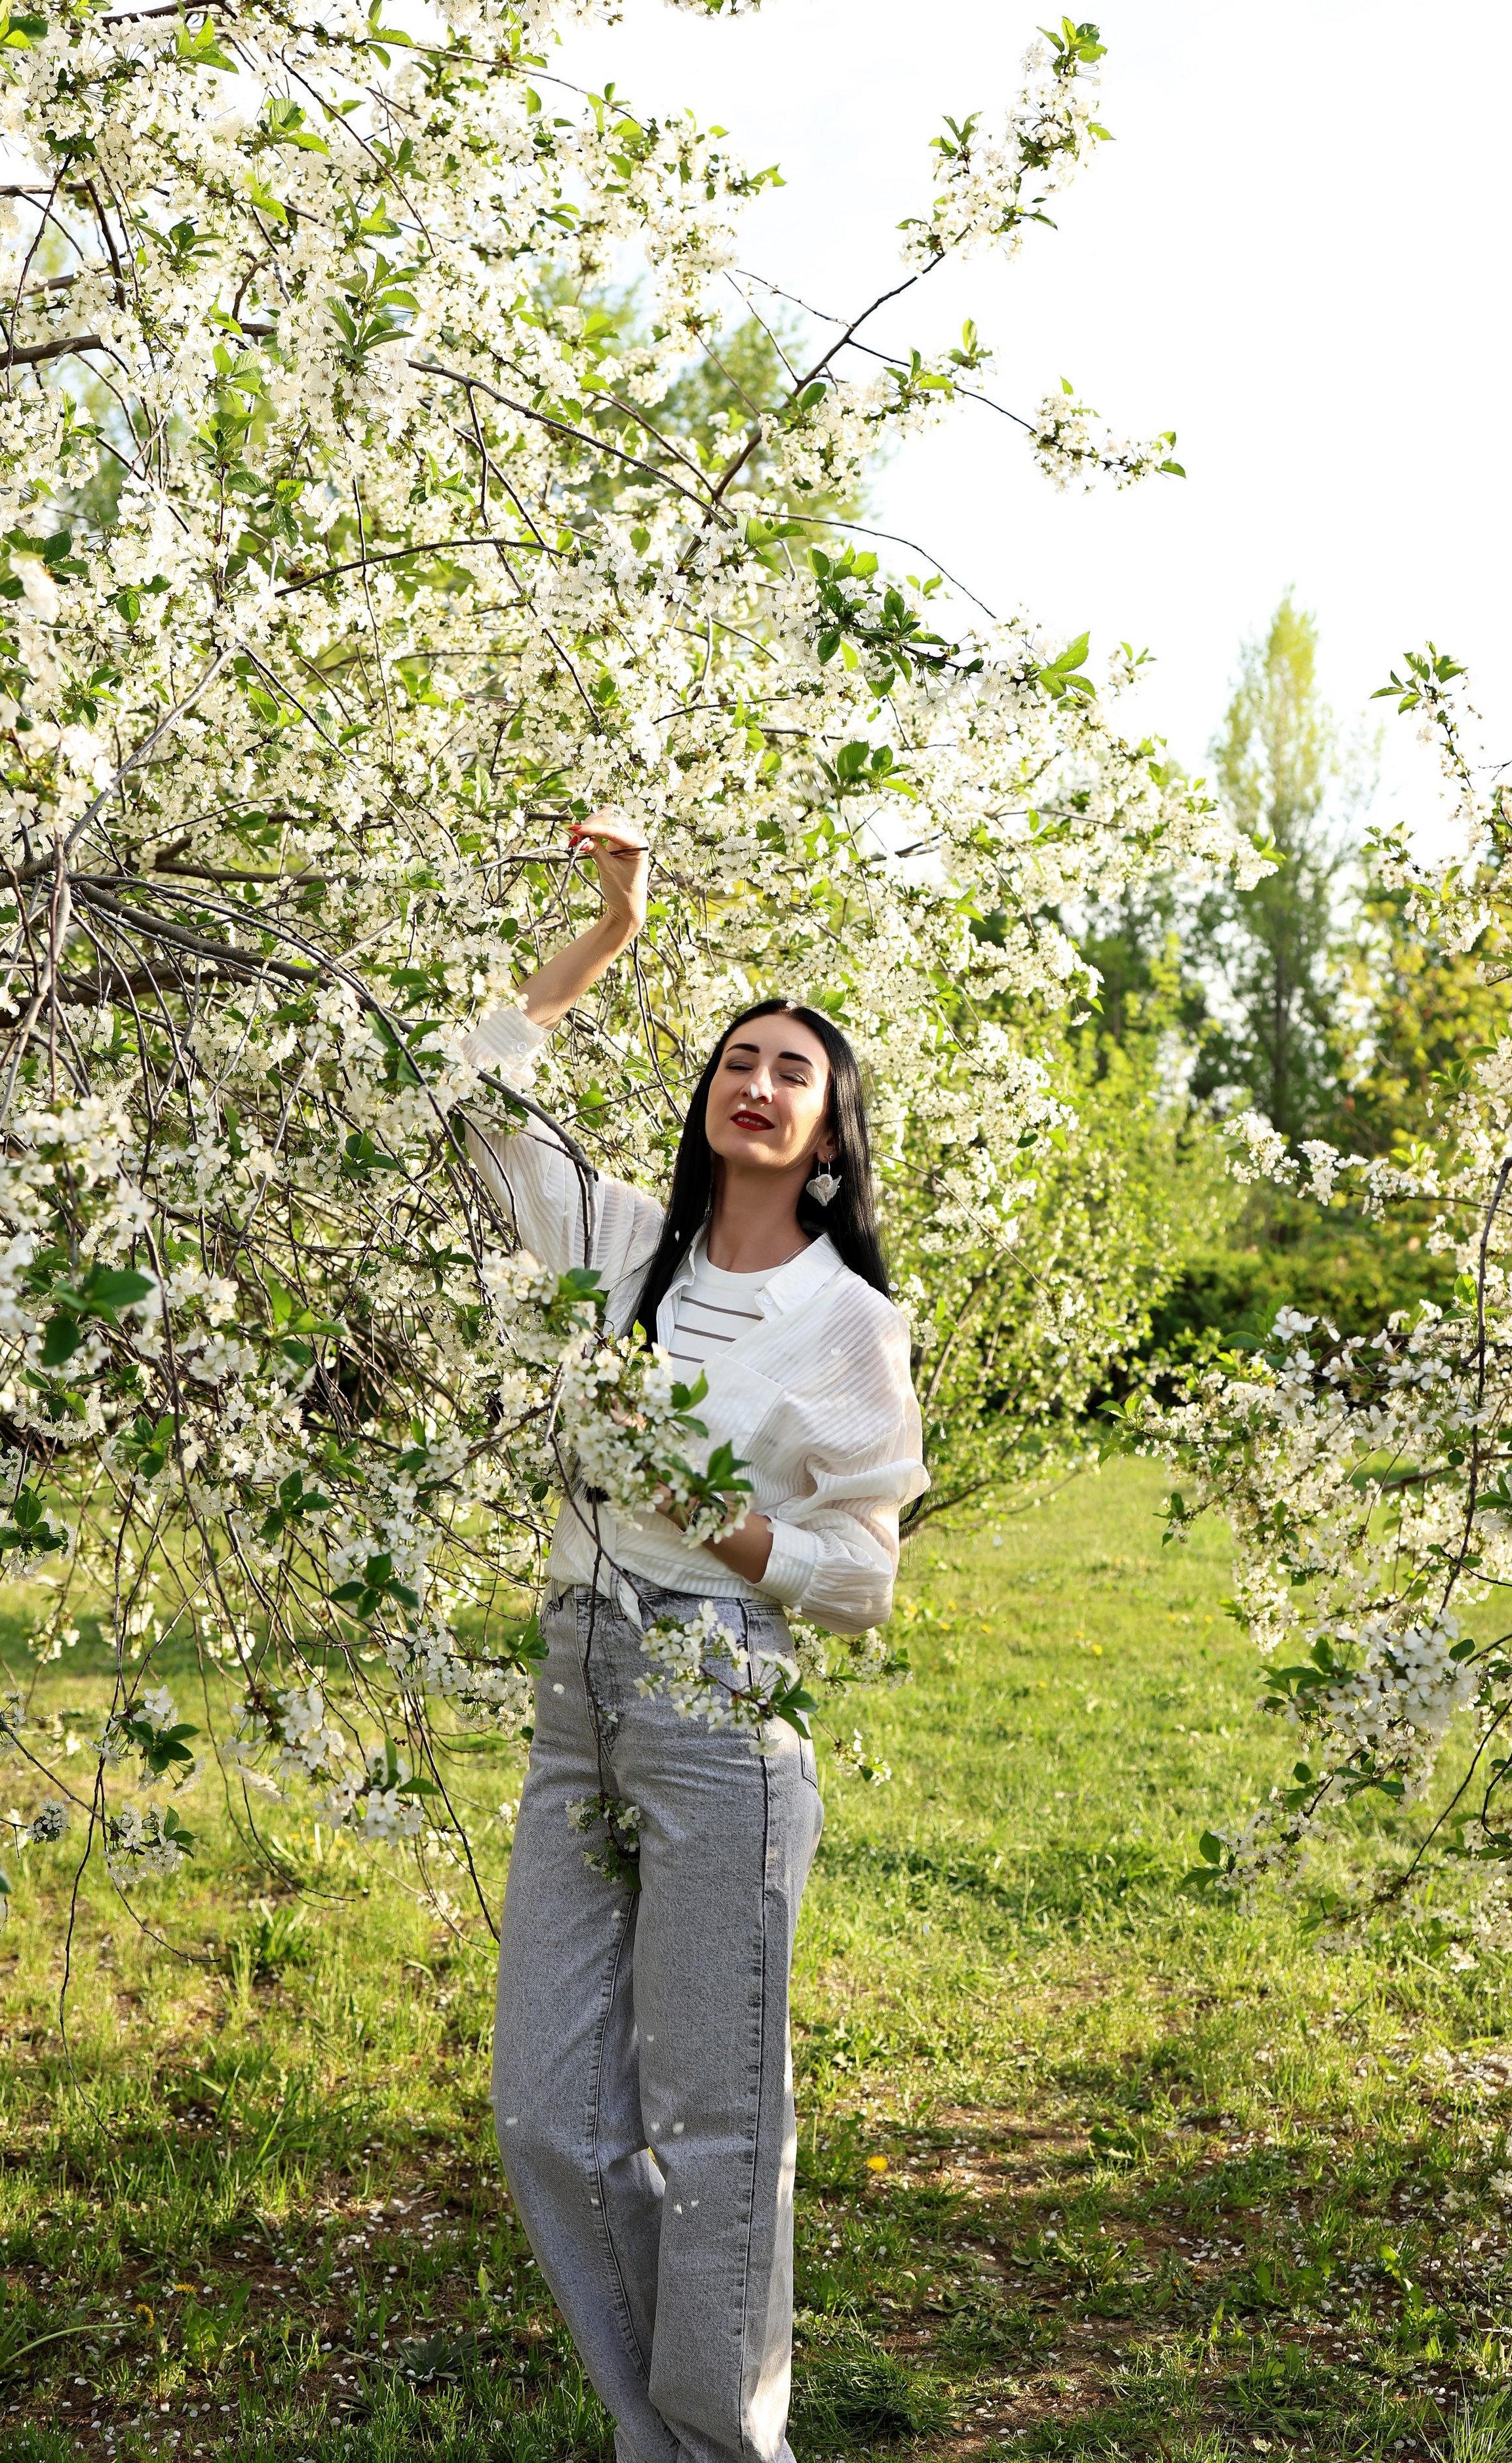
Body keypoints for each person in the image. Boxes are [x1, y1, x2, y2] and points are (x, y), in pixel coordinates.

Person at [460, 808, 927, 2463]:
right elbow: (477, 1092)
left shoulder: (848, 1323)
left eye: (790, 1070)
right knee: (546, 2113)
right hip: (577, 1677)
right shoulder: (615, 1247)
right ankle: (667, 2435)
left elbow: (863, 1575)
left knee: (717, 2126)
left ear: (824, 1131)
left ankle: (720, 2447)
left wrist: (726, 1525)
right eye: (736, 1056)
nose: (755, 1079)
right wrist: (610, 934)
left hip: (716, 1693)